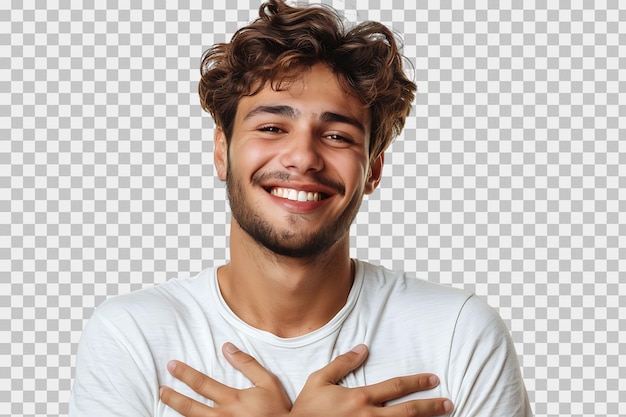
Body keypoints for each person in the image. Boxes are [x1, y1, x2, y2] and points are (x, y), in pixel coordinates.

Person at [69, 1, 532, 416]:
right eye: (272, 128)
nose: (303, 157)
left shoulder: (458, 334)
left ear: (372, 170)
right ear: (221, 151)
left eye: (336, 136)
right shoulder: (133, 336)